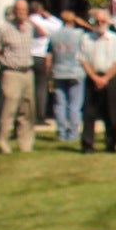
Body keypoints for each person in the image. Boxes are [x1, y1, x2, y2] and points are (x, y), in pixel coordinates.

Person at [0, 0, 37, 153]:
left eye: (24, 11)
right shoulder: (4, 30)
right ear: (14, 11)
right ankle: (4, 142)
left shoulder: (29, 28)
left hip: (27, 72)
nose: (22, 13)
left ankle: (25, 144)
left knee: (27, 110)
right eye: (19, 10)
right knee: (8, 110)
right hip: (11, 72)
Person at [79, 8, 116, 154]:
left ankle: (111, 144)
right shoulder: (86, 38)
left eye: (102, 21)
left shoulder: (115, 39)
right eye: (97, 21)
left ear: (108, 22)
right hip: (92, 77)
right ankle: (87, 144)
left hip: (110, 78)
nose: (99, 24)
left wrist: (105, 78)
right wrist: (94, 77)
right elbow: (83, 60)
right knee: (89, 113)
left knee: (111, 112)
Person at [47, 10, 87, 143]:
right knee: (74, 105)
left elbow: (49, 55)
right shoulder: (79, 34)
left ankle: (61, 131)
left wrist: (49, 72)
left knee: (60, 104)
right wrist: (83, 23)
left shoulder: (54, 35)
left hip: (58, 71)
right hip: (76, 71)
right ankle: (73, 133)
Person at [26, 0, 60, 123]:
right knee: (41, 87)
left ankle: (28, 114)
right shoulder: (45, 23)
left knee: (27, 88)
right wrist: (49, 16)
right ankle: (40, 115)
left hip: (27, 56)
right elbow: (59, 25)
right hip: (41, 56)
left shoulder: (25, 22)